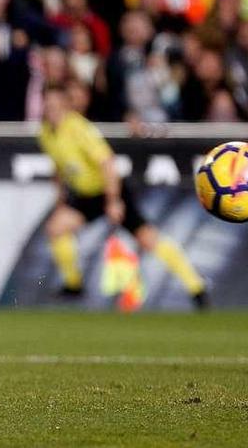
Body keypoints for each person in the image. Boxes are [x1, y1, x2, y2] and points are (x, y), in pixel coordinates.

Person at [38, 85, 209, 309]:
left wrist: (113, 200)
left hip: (109, 190)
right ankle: (74, 285)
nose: (52, 109)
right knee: (56, 228)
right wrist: (60, 198)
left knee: (147, 238)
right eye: (48, 104)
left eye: (56, 104)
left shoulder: (78, 127)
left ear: (64, 105)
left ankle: (196, 287)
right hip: (84, 196)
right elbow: (59, 168)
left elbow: (107, 163)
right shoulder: (45, 133)